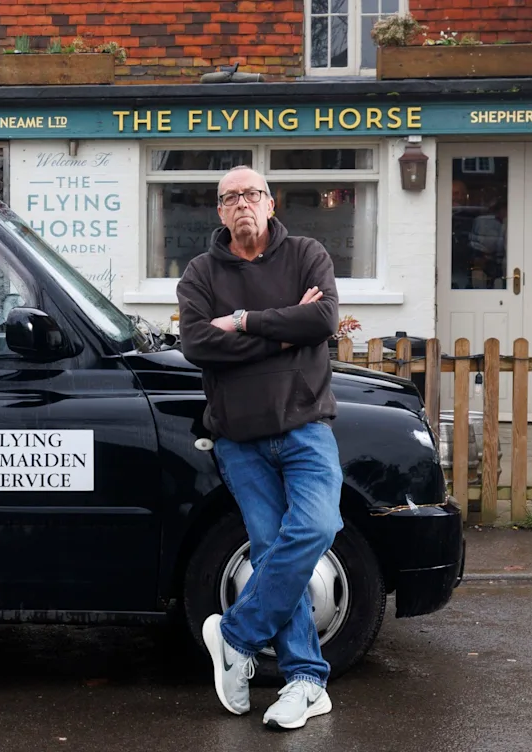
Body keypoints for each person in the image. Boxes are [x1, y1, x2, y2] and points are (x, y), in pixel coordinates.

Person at [175, 165, 343, 731]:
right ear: (219, 212)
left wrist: (243, 322)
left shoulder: (306, 253)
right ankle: (304, 681)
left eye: (252, 194)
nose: (242, 203)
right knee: (270, 550)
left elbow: (322, 319)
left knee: (317, 528)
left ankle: (236, 635)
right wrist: (283, 337)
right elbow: (197, 343)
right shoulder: (200, 272)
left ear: (271, 204)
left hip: (305, 427)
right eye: (230, 197)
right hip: (239, 439)